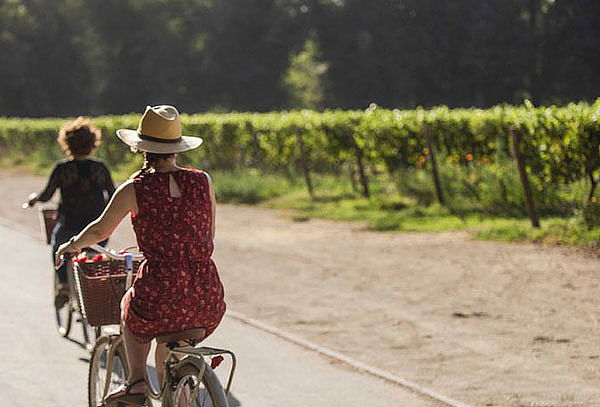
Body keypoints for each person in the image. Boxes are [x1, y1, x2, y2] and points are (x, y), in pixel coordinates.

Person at [56, 105, 226, 406]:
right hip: (205, 293)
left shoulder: (137, 188)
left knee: (130, 309)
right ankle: (182, 394)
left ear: (140, 148)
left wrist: (71, 245)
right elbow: (208, 232)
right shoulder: (203, 180)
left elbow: (98, 231)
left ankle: (135, 383)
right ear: (177, 148)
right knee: (174, 345)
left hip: (160, 289)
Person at [28, 117, 115, 306]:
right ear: (93, 143)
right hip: (97, 226)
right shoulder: (100, 168)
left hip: (69, 224)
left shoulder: (62, 169)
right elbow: (113, 194)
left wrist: (34, 199)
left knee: (58, 248)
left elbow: (47, 195)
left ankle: (64, 285)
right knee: (94, 255)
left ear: (67, 144)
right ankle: (95, 286)